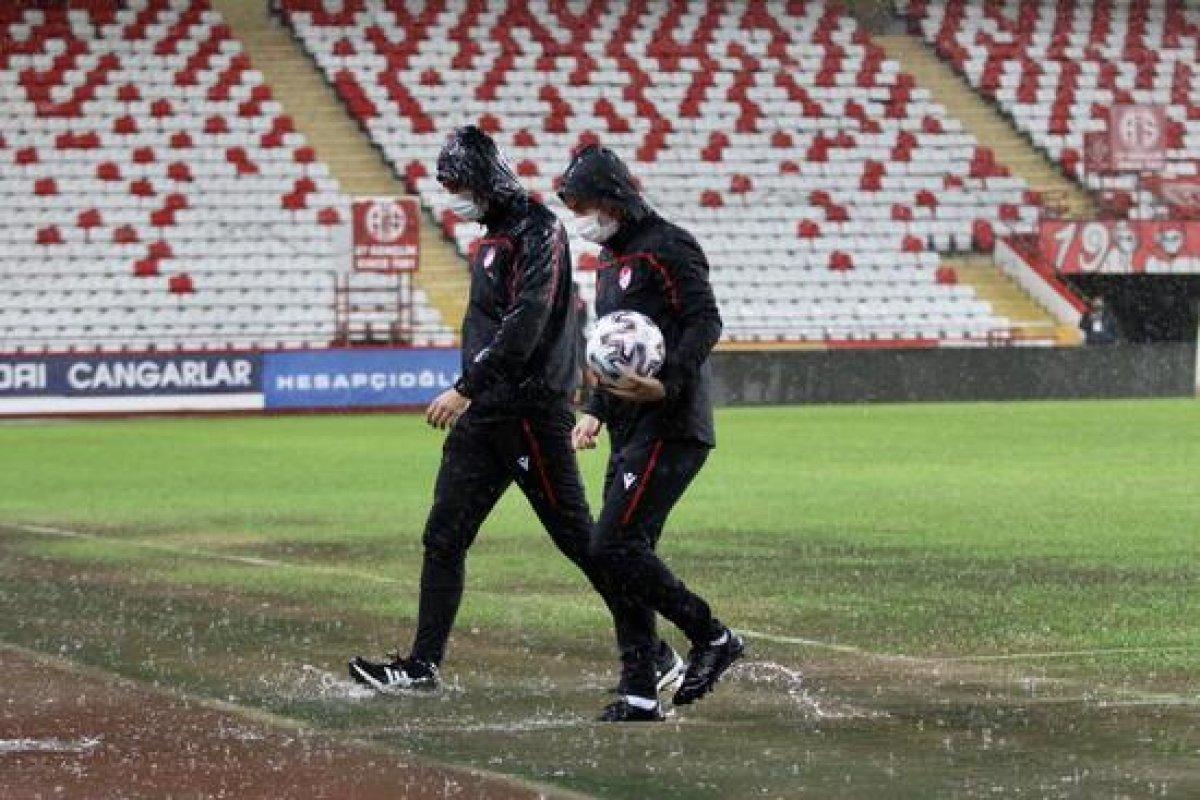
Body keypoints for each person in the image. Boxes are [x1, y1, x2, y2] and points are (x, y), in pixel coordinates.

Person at [348, 127, 649, 694]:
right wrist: (476, 394)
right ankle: (421, 666)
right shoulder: (492, 237)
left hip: (532, 411)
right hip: (488, 413)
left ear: (485, 178)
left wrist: (466, 386)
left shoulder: (539, 230)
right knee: (443, 536)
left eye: (460, 183)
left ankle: (652, 652)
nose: (455, 195)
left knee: (581, 539)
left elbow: (526, 321)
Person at [559, 145, 743, 722]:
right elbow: (609, 348)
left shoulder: (669, 245)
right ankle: (641, 690)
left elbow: (705, 320)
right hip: (630, 427)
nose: (581, 219)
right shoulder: (607, 262)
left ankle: (710, 636)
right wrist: (595, 410)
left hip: (672, 423)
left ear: (614, 197)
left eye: (585, 205)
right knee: (621, 556)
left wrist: (665, 384)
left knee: (610, 546)